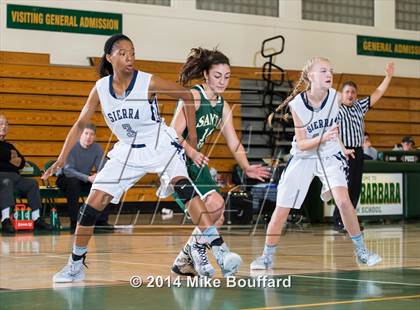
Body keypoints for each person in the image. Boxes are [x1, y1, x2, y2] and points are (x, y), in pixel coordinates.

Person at [43, 34, 240, 282]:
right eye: (123, 53)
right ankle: (75, 264)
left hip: (159, 141)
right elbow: (81, 122)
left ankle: (220, 250)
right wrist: (61, 158)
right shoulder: (101, 88)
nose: (129, 57)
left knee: (183, 187)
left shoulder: (146, 81)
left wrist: (189, 143)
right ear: (109, 57)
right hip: (127, 149)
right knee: (92, 205)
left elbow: (187, 96)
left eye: (133, 52)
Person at [250, 57, 382, 270]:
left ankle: (362, 252)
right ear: (311, 76)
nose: (329, 74)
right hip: (303, 156)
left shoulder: (336, 97)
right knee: (282, 209)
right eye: (323, 71)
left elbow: (334, 127)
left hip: (329, 155)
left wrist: (341, 146)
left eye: (331, 70)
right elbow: (302, 144)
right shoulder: (297, 105)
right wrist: (324, 138)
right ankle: (266, 256)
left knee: (344, 201)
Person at [170, 48, 270, 277]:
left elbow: (234, 142)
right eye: (217, 75)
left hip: (195, 163)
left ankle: (184, 259)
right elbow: (172, 134)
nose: (223, 81)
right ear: (205, 74)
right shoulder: (194, 96)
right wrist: (191, 152)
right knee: (214, 205)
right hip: (175, 162)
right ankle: (203, 251)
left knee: (219, 215)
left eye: (227, 76)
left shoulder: (222, 106)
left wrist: (246, 167)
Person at [334, 62, 394, 232]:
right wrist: (341, 149)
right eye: (347, 92)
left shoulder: (360, 107)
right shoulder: (336, 109)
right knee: (344, 188)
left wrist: (388, 76)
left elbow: (378, 92)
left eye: (353, 92)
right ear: (342, 94)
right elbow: (333, 132)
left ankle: (350, 221)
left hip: (358, 151)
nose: (350, 94)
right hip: (343, 151)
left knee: (355, 188)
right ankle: (339, 220)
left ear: (356, 94)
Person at [56, 123, 111, 234]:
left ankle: (101, 221)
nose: (88, 137)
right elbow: (68, 171)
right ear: (80, 135)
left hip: (84, 179)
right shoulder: (71, 146)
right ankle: (75, 220)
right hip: (65, 178)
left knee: (104, 184)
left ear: (94, 137)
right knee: (73, 183)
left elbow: (103, 166)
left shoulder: (96, 148)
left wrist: (98, 177)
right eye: (86, 133)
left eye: (92, 134)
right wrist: (88, 178)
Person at [0, 115, 51, 233]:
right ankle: (5, 219)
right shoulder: (9, 150)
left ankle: (36, 218)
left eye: (6, 124)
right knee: (6, 183)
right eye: (1, 123)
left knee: (32, 183)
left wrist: (8, 158)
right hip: (2, 178)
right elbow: (6, 157)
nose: (4, 126)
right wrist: (10, 157)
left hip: (16, 178)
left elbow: (22, 162)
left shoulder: (10, 146)